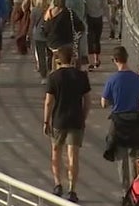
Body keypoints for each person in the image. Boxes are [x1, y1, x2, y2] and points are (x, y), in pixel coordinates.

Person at [43, 46, 91, 204]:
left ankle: (57, 184)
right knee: (73, 156)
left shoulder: (54, 77)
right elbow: (88, 101)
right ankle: (72, 189)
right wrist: (83, 117)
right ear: (73, 58)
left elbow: (49, 102)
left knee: (56, 153)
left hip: (58, 120)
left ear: (59, 59)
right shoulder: (82, 76)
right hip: (76, 120)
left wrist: (46, 121)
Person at [101, 46, 139, 194]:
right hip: (135, 121)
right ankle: (137, 189)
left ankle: (124, 192)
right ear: (127, 57)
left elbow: (104, 103)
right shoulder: (137, 78)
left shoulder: (112, 79)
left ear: (115, 60)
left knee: (121, 160)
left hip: (119, 122)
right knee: (136, 157)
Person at [23, 0, 55, 84]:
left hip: (38, 33)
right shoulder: (53, 3)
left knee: (41, 56)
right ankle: (51, 71)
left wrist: (28, 35)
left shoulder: (35, 7)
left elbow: (31, 22)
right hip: (51, 33)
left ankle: (43, 76)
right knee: (51, 54)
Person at [80, 0, 107, 70]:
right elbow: (105, 5)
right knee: (97, 39)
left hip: (88, 16)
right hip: (98, 16)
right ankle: (97, 60)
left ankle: (91, 62)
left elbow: (82, 3)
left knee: (90, 39)